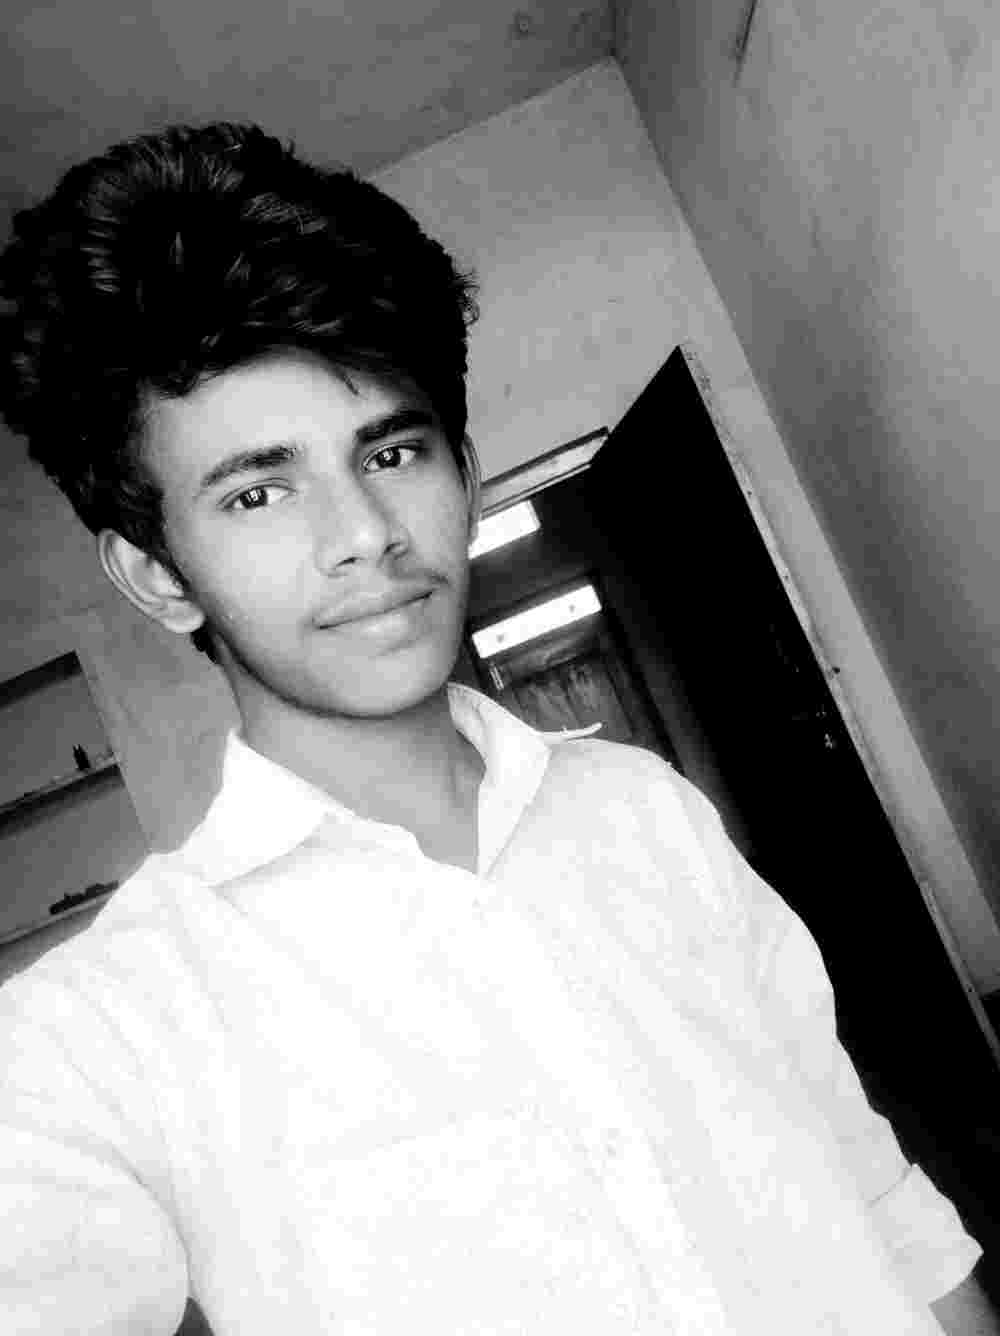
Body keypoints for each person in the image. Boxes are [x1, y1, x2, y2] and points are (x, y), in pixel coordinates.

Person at [0, 122, 993, 1336]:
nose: (365, 532)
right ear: (158, 575)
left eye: (391, 451)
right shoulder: (108, 1032)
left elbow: (882, 1200)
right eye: (258, 491)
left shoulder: (644, 809)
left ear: (464, 473)